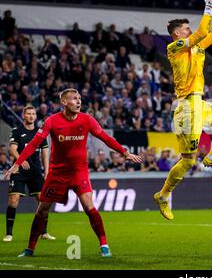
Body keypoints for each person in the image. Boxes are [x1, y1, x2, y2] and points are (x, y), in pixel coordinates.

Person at [4, 89, 142, 258]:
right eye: (74, 99)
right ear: (64, 102)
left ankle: (104, 245)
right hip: (57, 174)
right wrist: (16, 164)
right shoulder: (52, 121)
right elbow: (33, 144)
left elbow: (105, 138)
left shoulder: (87, 120)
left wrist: (125, 153)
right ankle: (30, 249)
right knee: (42, 210)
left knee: (89, 207)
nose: (78, 102)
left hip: (79, 173)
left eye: (79, 99)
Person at [153, 0, 212, 220]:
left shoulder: (196, 48)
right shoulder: (174, 48)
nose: (189, 29)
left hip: (200, 103)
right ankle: (163, 195)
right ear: (176, 33)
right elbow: (202, 30)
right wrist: (209, 6)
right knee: (187, 161)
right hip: (186, 109)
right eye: (184, 28)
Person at [4, 106, 55, 242]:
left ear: (36, 116)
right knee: (13, 200)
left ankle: (44, 232)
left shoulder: (40, 133)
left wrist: (47, 171)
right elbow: (12, 149)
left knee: (42, 201)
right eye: (28, 114)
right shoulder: (16, 131)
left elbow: (45, 154)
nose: (31, 116)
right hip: (19, 170)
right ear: (23, 115)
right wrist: (22, 160)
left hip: (35, 171)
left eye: (33, 114)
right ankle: (9, 233)